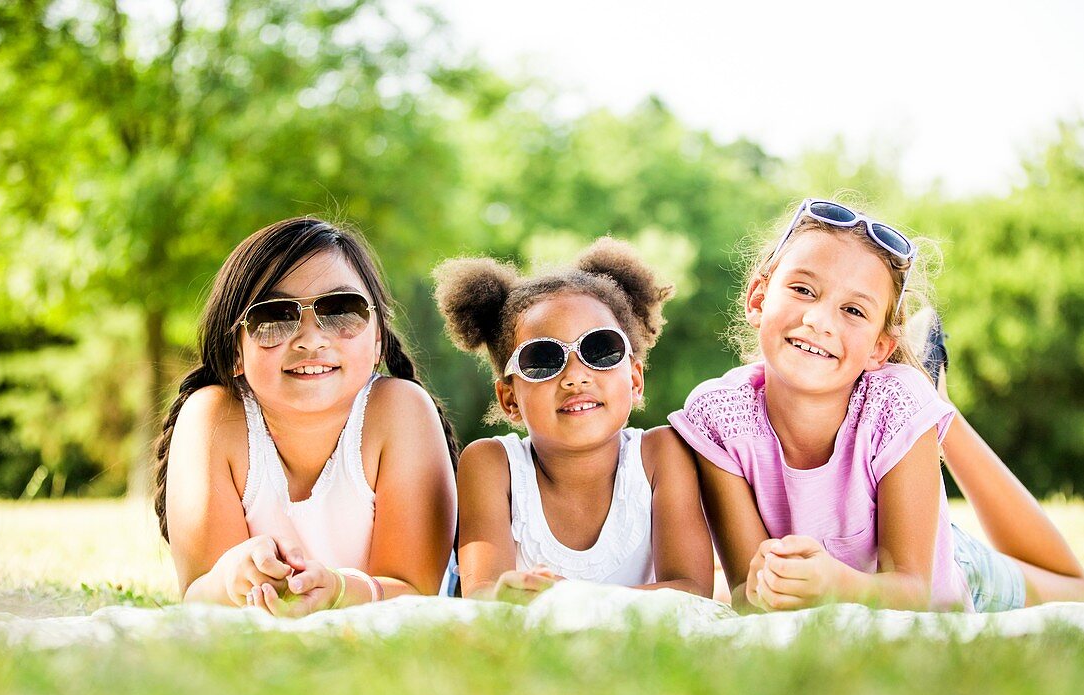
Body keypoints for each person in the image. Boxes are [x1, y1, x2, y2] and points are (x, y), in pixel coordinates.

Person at [669, 198, 1084, 613]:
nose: (820, 320)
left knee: (1076, 591)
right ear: (758, 299)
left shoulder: (893, 404)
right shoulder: (718, 416)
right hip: (865, 538)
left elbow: (916, 590)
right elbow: (749, 590)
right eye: (803, 290)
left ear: (880, 348)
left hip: (951, 567)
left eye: (853, 310)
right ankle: (932, 396)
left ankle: (936, 400)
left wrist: (836, 584)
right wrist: (768, 585)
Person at [153, 217, 458, 616]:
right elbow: (199, 597)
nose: (311, 339)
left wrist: (337, 590)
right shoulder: (212, 419)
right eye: (275, 316)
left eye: (341, 310)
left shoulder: (400, 411)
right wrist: (231, 577)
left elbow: (417, 592)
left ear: (378, 338)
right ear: (234, 352)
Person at [433, 238, 713, 603]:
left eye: (600, 350)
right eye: (542, 359)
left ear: (634, 380)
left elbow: (692, 591)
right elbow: (484, 596)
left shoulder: (660, 455)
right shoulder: (491, 465)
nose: (575, 377)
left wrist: (572, 599)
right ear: (509, 399)